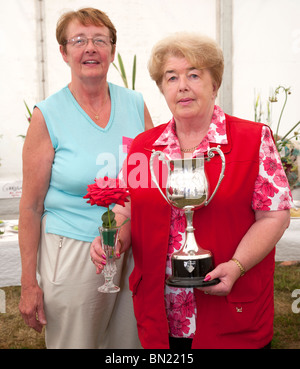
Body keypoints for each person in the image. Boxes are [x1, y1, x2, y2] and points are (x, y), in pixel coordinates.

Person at [90, 32, 293, 349]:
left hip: (231, 306)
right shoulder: (144, 147)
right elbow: (124, 210)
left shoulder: (253, 139)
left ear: (215, 84)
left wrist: (238, 265)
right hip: (160, 314)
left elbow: (274, 216)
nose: (182, 85)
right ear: (162, 88)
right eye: (171, 77)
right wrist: (113, 238)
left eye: (194, 75)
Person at [18, 7, 153, 349]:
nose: (90, 48)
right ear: (64, 53)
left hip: (131, 250)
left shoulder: (135, 104)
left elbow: (148, 180)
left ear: (112, 50)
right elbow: (31, 207)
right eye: (79, 40)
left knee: (129, 346)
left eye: (99, 40)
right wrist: (28, 282)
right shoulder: (48, 115)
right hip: (74, 252)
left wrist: (126, 228)